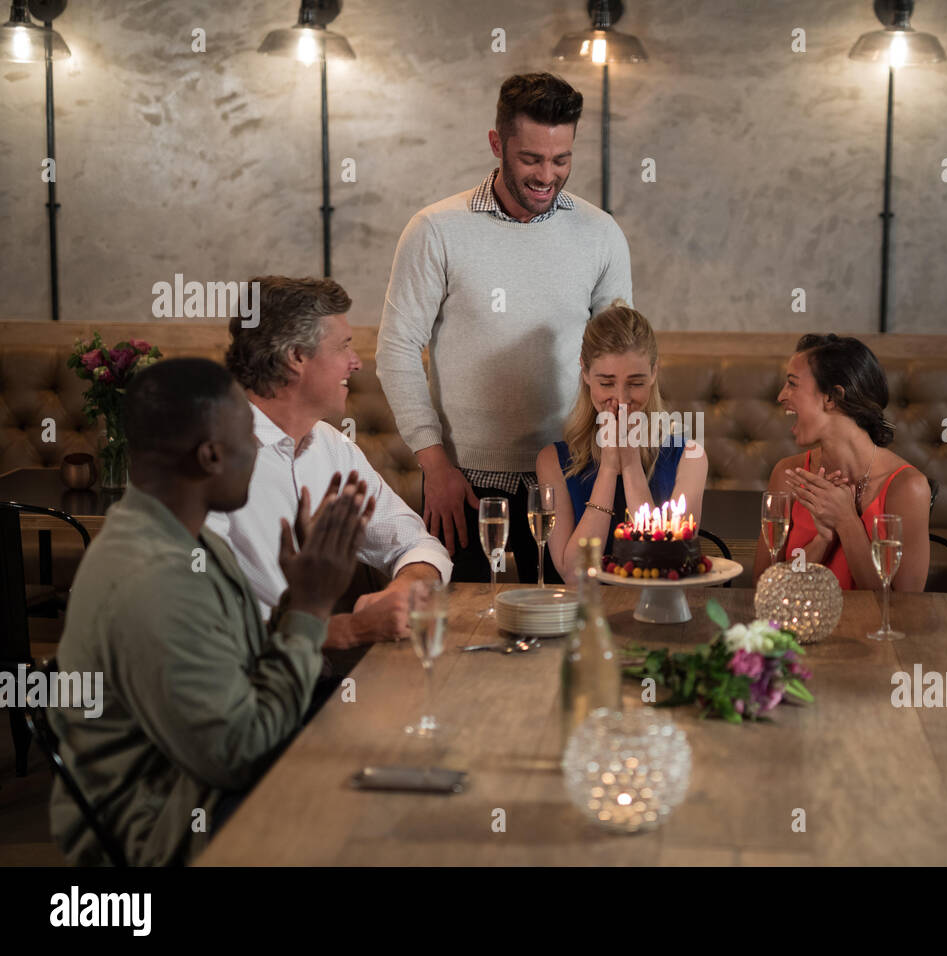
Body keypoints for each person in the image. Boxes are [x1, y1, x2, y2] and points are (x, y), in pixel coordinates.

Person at [50, 358, 374, 865]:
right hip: (170, 827)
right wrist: (312, 606)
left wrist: (297, 598)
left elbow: (247, 673)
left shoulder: (191, 539)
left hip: (208, 779)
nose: (258, 448)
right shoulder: (154, 577)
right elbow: (239, 756)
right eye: (249, 435)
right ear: (209, 455)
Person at [377, 72, 633, 586]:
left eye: (561, 160)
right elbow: (397, 348)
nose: (547, 175)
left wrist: (617, 463)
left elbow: (621, 356)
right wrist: (434, 466)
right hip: (464, 483)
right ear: (497, 144)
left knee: (576, 628)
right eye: (531, 159)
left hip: (572, 472)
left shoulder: (601, 233)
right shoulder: (436, 229)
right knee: (464, 634)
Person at [207, 276, 452, 649]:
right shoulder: (212, 460)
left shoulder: (334, 447)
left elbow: (415, 543)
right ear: (296, 357)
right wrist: (352, 629)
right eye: (344, 347)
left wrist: (405, 588)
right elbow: (207, 622)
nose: (355, 363)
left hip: (316, 678)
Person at [536, 302, 707, 583]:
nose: (622, 399)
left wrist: (629, 465)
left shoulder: (690, 457)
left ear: (654, 372)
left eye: (635, 383)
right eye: (607, 383)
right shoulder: (552, 460)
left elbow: (661, 564)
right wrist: (607, 469)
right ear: (585, 372)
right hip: (583, 616)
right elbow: (575, 575)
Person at [754, 334, 931, 591]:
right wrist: (822, 541)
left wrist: (846, 521)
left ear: (832, 397)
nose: (782, 396)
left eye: (793, 384)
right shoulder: (787, 474)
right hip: (799, 631)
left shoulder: (908, 487)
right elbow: (765, 589)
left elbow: (903, 609)